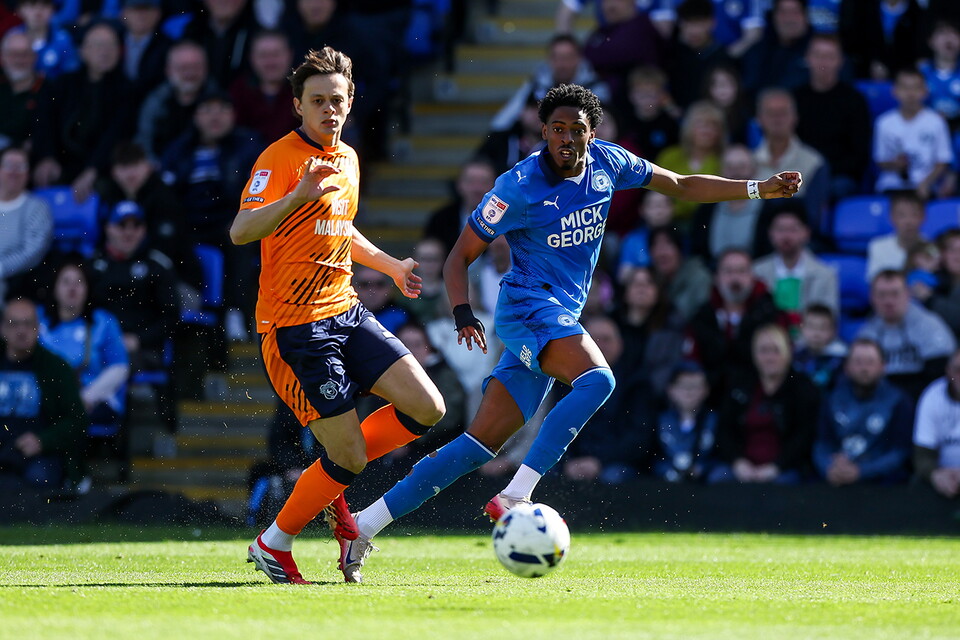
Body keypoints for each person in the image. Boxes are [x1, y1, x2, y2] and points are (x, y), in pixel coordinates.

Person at [340, 83, 802, 582]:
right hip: (527, 309)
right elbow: (459, 256)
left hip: (558, 314)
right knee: (598, 380)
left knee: (476, 446)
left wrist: (758, 188)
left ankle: (363, 525)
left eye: (576, 129)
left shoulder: (610, 163)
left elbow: (683, 185)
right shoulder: (516, 186)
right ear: (542, 132)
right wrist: (462, 311)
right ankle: (517, 493)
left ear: (591, 133)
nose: (565, 138)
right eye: (556, 129)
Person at [232, 47, 446, 586]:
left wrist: (391, 266)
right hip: (294, 329)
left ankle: (330, 482)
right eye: (318, 101)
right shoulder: (278, 160)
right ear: (298, 106)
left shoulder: (347, 157)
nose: (329, 110)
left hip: (346, 312)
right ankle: (273, 542)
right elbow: (241, 230)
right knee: (346, 457)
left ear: (350, 104)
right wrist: (296, 197)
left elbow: (340, 229)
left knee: (427, 407)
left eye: (338, 100)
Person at [31, 21, 134, 201]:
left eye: (111, 45)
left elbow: (116, 135)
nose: (105, 51)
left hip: (103, 167)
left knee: (101, 190)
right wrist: (46, 156)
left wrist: (92, 171)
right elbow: (44, 121)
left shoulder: (127, 91)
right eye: (98, 45)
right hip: (62, 161)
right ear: (83, 51)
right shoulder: (63, 84)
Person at [711, 323, 819, 483]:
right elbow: (725, 430)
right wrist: (738, 462)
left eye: (776, 350)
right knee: (718, 479)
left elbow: (804, 437)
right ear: (754, 354)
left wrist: (776, 467)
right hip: (742, 467)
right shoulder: (740, 385)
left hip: (785, 469)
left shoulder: (803, 387)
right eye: (763, 351)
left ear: (788, 352)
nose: (770, 357)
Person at [0, 298, 86, 490]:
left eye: (28, 324)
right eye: (14, 324)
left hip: (38, 453)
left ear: (38, 328)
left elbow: (77, 420)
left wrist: (43, 441)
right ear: (3, 329)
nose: (21, 330)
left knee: (39, 482)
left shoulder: (56, 368)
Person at [560, 314, 656, 484]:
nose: (600, 345)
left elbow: (639, 438)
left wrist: (599, 461)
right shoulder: (563, 381)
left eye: (607, 339)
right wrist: (568, 461)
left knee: (613, 475)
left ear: (620, 344)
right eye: (594, 340)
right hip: (571, 462)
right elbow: (555, 427)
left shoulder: (637, 382)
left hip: (617, 464)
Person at [684, 248, 786, 406]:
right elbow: (692, 363)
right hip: (711, 402)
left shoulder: (769, 314)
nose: (735, 278)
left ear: (752, 277)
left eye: (741, 271)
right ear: (716, 277)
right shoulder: (702, 316)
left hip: (759, 401)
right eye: (728, 271)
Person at [38, 260, 129, 434]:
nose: (72, 288)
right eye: (66, 282)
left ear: (88, 288)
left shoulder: (104, 321)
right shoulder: (36, 319)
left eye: (79, 282)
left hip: (91, 401)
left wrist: (86, 397)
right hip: (45, 399)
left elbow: (119, 367)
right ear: (54, 288)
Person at [814, 338, 913, 486]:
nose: (864, 368)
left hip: (882, 484)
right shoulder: (833, 398)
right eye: (858, 362)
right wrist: (828, 467)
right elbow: (822, 443)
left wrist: (861, 471)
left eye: (870, 362)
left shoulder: (898, 401)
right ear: (846, 367)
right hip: (838, 479)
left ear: (883, 366)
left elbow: (900, 452)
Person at [793, 33, 872, 200]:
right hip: (799, 172)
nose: (823, 62)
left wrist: (821, 172)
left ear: (840, 61)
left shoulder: (855, 100)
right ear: (808, 58)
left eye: (829, 57)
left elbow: (860, 154)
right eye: (818, 55)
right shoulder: (794, 98)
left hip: (839, 175)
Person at [857, 270, 957, 401]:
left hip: (922, 397)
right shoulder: (866, 332)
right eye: (882, 295)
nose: (888, 301)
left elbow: (942, 374)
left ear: (907, 294)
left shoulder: (930, 325)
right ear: (872, 298)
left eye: (895, 294)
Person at [489, 33, 610, 133]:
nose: (562, 64)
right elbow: (507, 117)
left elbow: (605, 125)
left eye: (567, 57)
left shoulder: (595, 87)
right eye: (556, 57)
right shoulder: (537, 83)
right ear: (549, 60)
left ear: (578, 59)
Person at [753, 87, 830, 232]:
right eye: (770, 113)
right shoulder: (747, 163)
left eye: (782, 113)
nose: (777, 119)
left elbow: (813, 217)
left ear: (795, 117)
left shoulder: (814, 162)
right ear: (759, 119)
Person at [873, 68, 954, 200]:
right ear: (894, 91)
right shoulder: (883, 123)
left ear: (925, 91)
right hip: (892, 186)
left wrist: (925, 184)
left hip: (925, 186)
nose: (910, 93)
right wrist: (896, 165)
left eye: (916, 88)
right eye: (905, 88)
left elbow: (943, 161)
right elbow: (880, 160)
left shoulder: (936, 121)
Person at [136, 40, 216, 163]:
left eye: (196, 66)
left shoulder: (219, 101)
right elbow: (144, 143)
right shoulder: (155, 102)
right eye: (183, 68)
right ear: (168, 70)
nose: (190, 73)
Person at [753, 207, 839, 316]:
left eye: (792, 229)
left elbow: (829, 321)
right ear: (770, 234)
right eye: (780, 229)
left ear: (806, 233)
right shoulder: (757, 272)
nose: (786, 236)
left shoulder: (825, 274)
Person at [690, 144, 764, 264]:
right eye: (730, 167)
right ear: (720, 172)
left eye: (742, 167)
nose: (736, 173)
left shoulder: (768, 210)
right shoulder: (706, 210)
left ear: (754, 171)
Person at [229, 29, 300, 146]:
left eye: (276, 54)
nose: (270, 62)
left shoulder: (304, 92)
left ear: (290, 55)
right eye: (263, 56)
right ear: (252, 58)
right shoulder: (239, 92)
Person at [652, 361, 719, 483]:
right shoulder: (660, 421)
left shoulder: (714, 420)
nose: (689, 392)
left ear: (706, 390)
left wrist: (703, 468)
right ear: (671, 390)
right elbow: (652, 458)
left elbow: (720, 456)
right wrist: (667, 471)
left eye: (695, 386)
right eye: (683, 386)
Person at [0, 146, 52, 303]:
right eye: (9, 165)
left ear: (28, 173)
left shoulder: (37, 207)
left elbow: (32, 252)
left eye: (21, 166)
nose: (14, 172)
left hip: (16, 285)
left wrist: (1, 268)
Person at [422, 158, 497, 254]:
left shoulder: (508, 221)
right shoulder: (441, 220)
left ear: (495, 186)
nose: (477, 189)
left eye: (483, 182)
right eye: (471, 182)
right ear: (459, 185)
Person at [913, 348, 960, 498]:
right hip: (942, 478)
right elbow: (922, 454)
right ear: (948, 371)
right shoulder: (932, 396)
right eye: (958, 370)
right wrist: (935, 475)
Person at [866, 190, 927, 282]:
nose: (908, 221)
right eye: (902, 215)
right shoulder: (877, 247)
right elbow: (875, 284)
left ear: (923, 217)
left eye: (914, 214)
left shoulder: (932, 247)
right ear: (892, 218)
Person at [0, 30, 43, 152]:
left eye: (25, 54)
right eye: (13, 54)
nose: (19, 60)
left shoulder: (47, 89)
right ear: (2, 56)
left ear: (34, 57)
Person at [792, 303, 847, 390]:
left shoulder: (841, 360)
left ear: (833, 331)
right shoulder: (794, 357)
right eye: (811, 327)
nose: (816, 333)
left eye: (823, 328)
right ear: (802, 328)